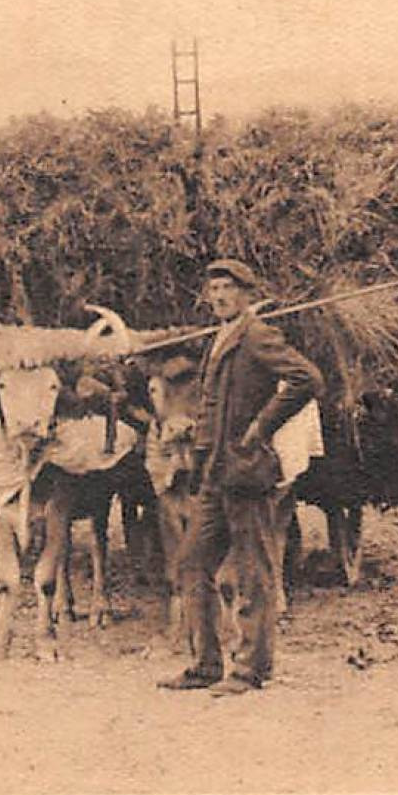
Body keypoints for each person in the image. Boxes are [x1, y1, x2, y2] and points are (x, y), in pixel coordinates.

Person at [164, 259, 323, 696]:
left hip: (247, 472)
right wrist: (198, 458)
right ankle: (205, 665)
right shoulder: (220, 337)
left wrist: (261, 427)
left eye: (228, 289)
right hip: (216, 474)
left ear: (247, 294)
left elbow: (306, 379)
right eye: (213, 289)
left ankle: (251, 670)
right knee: (192, 562)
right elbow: (211, 406)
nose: (218, 296)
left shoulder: (256, 335)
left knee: (254, 574)